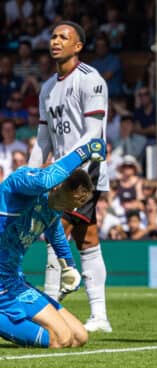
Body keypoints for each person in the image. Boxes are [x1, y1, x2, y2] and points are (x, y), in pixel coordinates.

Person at [28, 21, 112, 333]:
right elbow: (43, 140)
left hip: (83, 172)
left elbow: (93, 135)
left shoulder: (92, 81)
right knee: (87, 241)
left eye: (64, 37)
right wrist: (32, 174)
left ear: (78, 46)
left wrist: (61, 170)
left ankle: (49, 309)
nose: (55, 41)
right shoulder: (47, 87)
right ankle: (100, 317)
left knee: (54, 230)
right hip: (59, 174)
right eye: (52, 36)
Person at [0, 138, 106, 348]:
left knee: (79, 337)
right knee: (60, 339)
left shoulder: (53, 208)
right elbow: (43, 181)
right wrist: (83, 152)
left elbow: (55, 232)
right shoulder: (20, 183)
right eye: (72, 202)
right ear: (57, 187)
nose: (74, 210)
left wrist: (69, 266)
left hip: (12, 280)